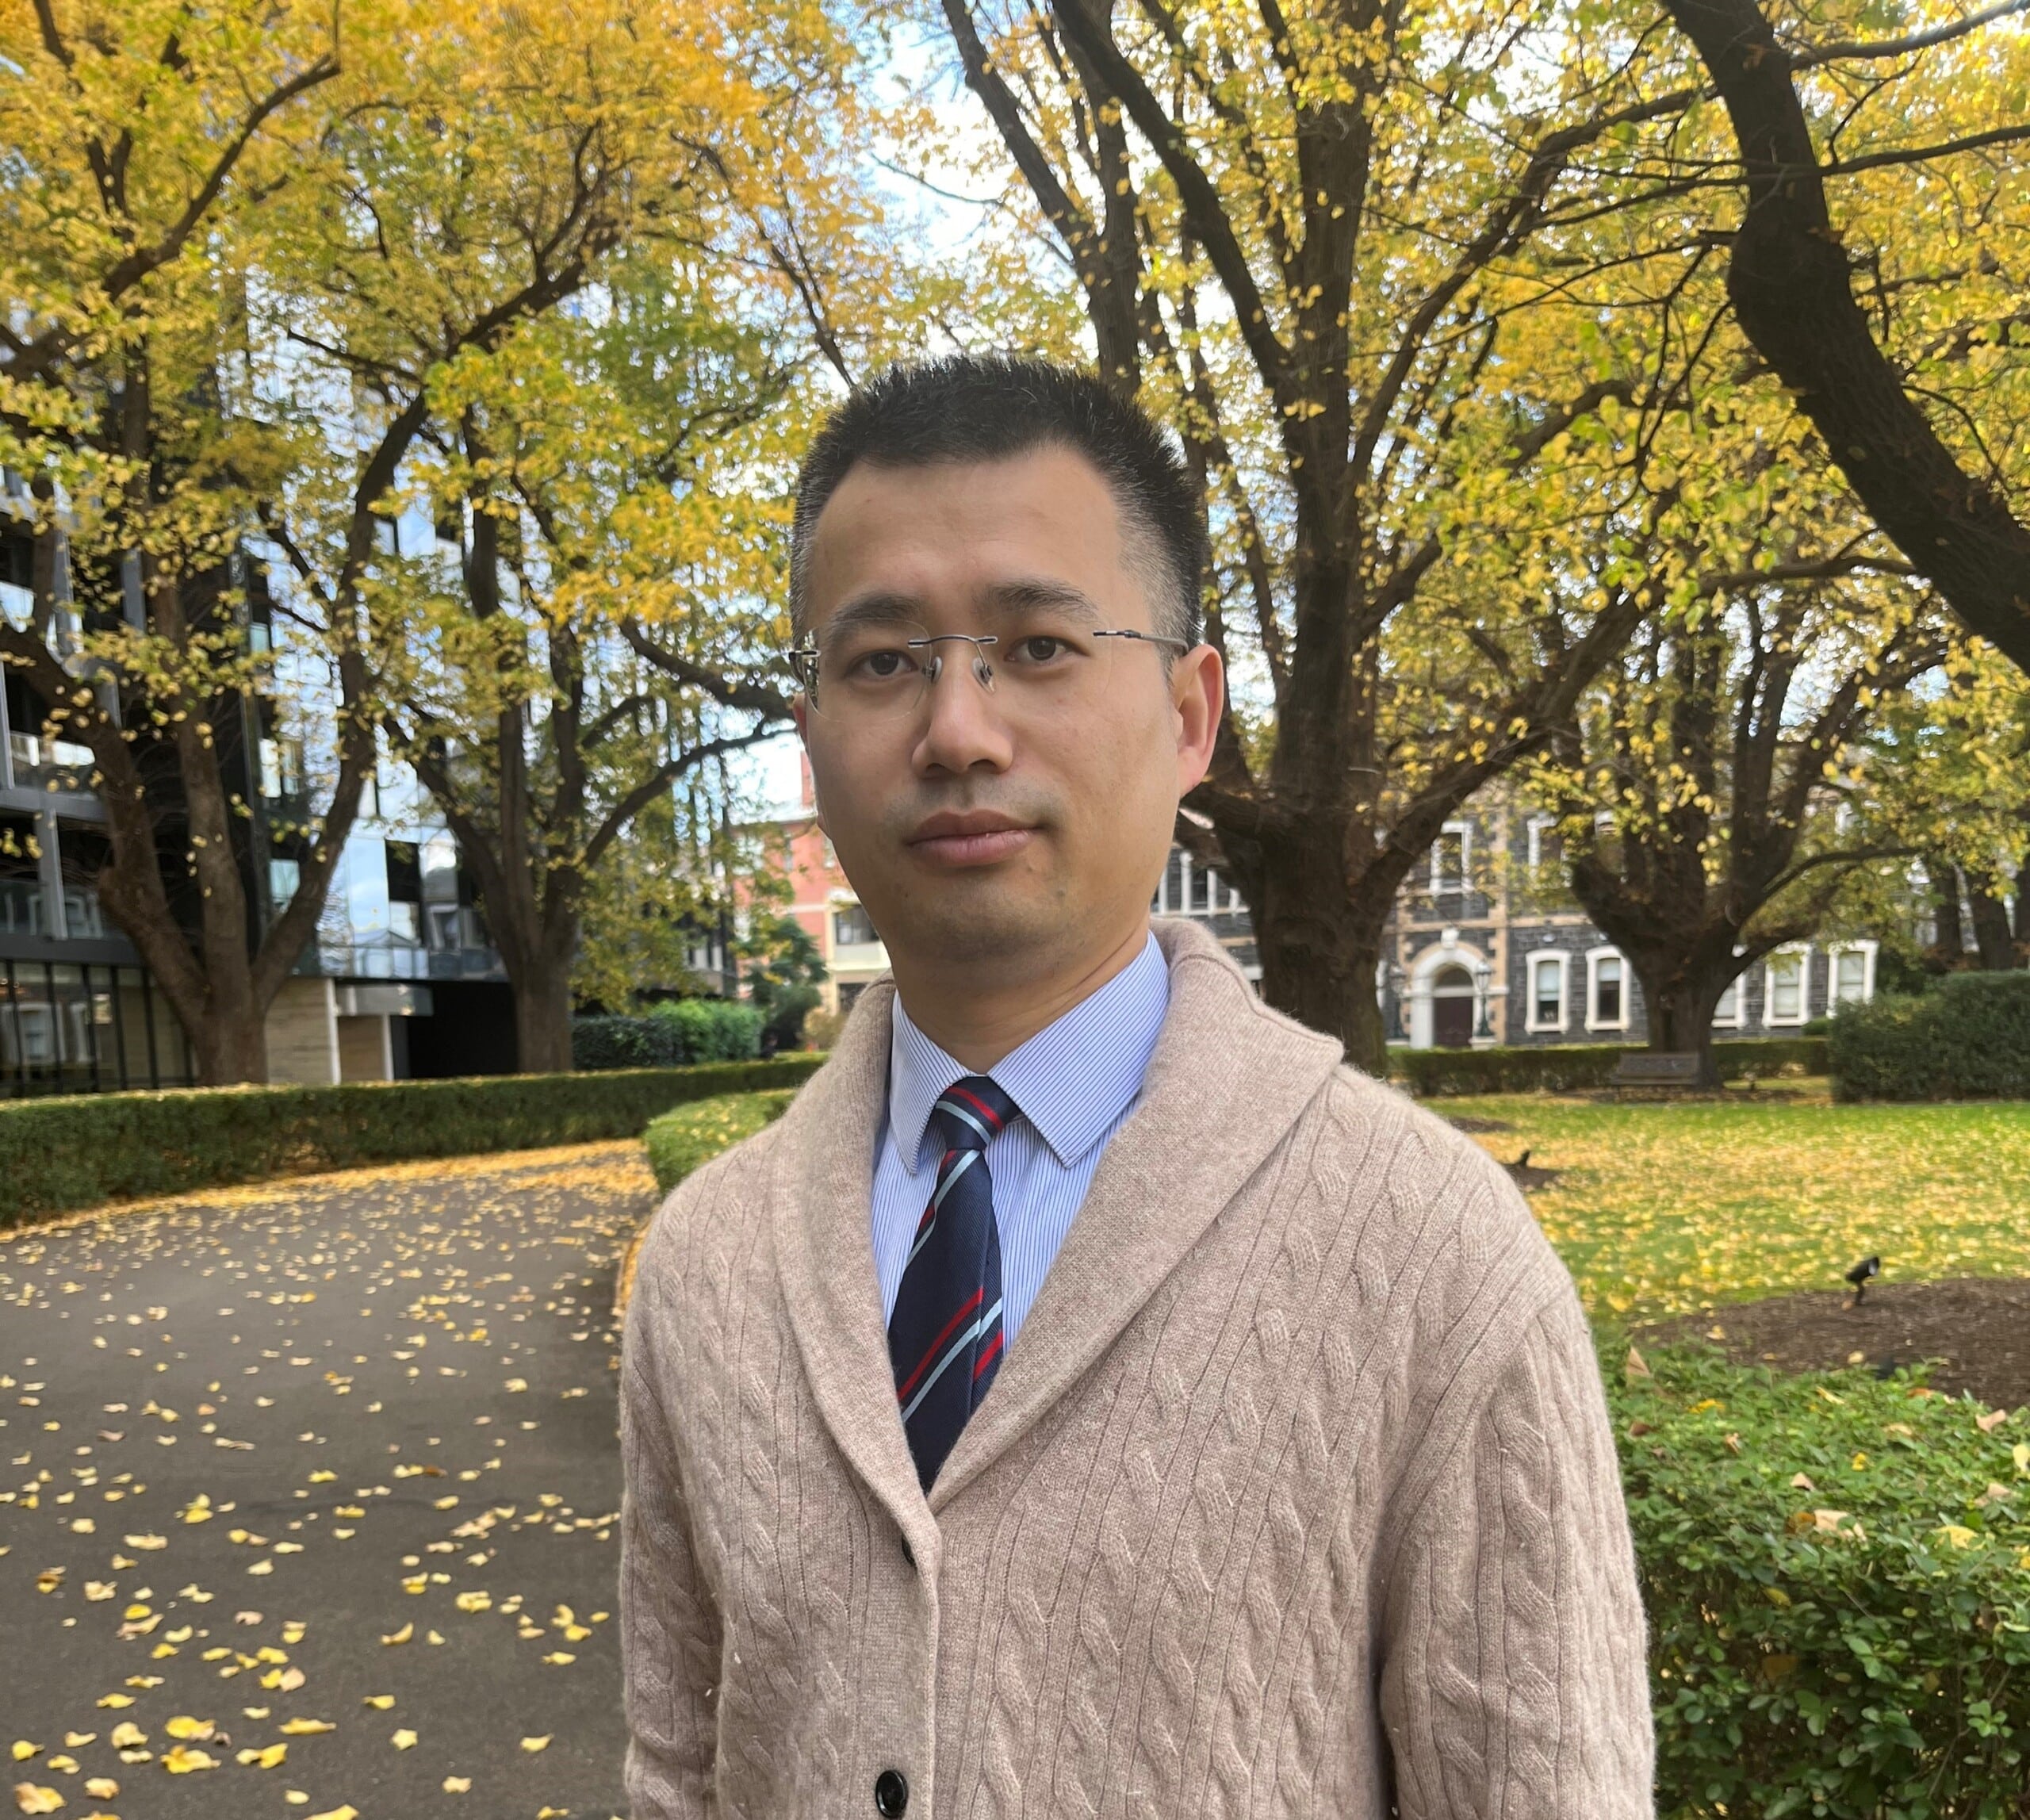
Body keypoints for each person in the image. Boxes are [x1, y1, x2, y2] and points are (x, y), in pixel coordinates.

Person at [619, 357, 1653, 1818]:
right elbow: (680, 1770)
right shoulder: (710, 1265)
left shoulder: (1432, 1258)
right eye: (882, 661)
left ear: (1187, 715)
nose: (958, 730)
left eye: (1038, 645)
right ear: (814, 740)